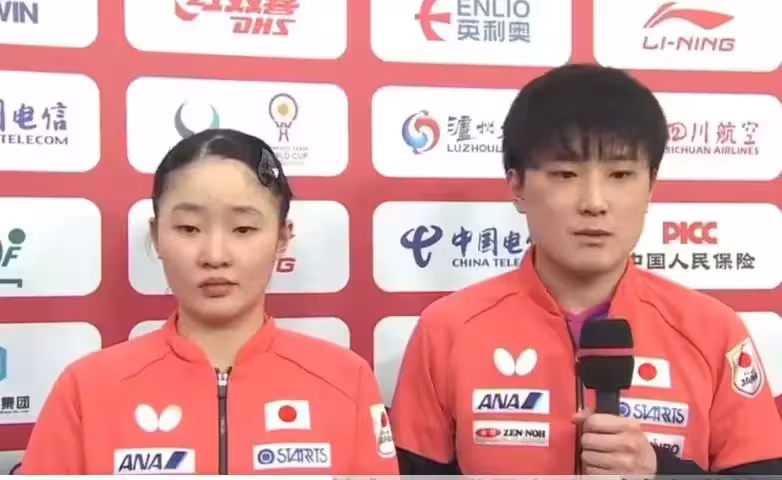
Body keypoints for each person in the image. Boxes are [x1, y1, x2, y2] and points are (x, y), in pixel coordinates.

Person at [389, 64, 782, 475]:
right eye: (565, 174)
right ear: (517, 186)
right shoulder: (448, 330)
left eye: (620, 174)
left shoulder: (713, 332)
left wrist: (659, 471)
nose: (594, 202)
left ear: (650, 186)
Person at [20, 129, 398, 475]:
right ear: (157, 234)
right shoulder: (86, 390)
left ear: (283, 238)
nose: (215, 255)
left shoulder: (346, 381)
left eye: (243, 228)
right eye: (189, 228)